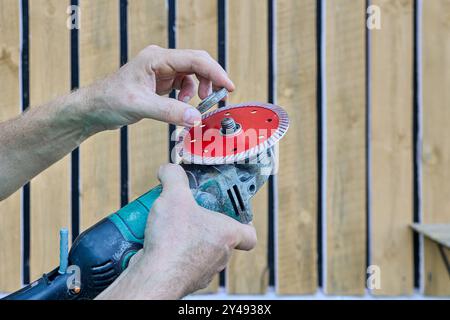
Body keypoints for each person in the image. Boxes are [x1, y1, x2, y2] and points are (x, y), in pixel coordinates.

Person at [0, 45, 257, 299]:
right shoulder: (92, 256)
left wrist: (90, 107)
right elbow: (157, 279)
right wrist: (160, 279)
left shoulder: (89, 253)